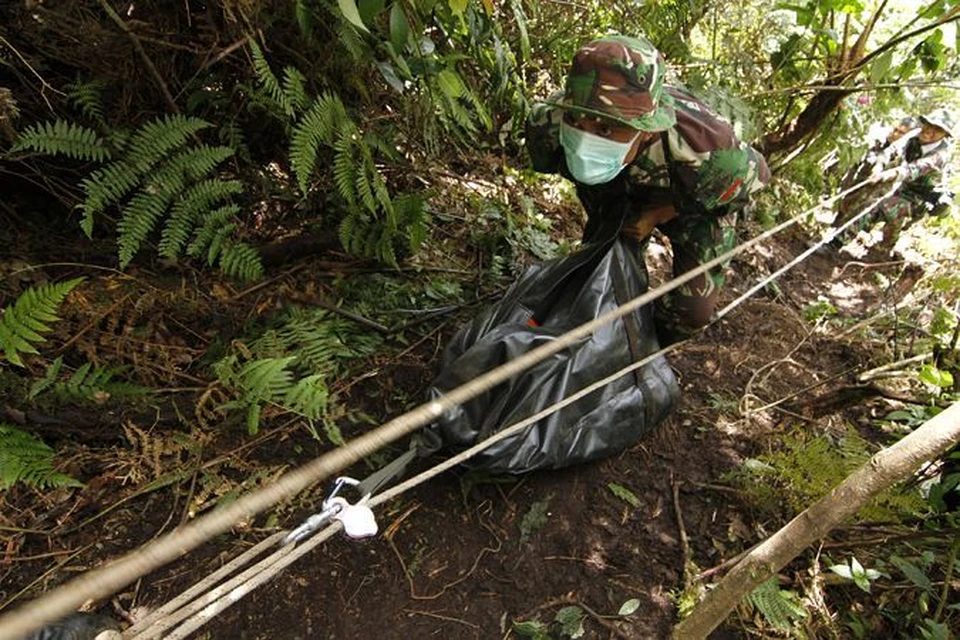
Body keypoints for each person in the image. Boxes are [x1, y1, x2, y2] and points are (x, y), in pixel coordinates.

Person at [526, 35, 770, 344]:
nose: (585, 140)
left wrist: (657, 215)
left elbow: (750, 184)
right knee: (598, 271)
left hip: (694, 204)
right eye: (576, 119)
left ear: (647, 131)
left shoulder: (712, 156)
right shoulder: (547, 126)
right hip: (618, 188)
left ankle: (642, 357)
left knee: (690, 312)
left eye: (606, 129)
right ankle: (595, 342)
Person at [832, 109, 954, 251]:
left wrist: (886, 175)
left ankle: (838, 243)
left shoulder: (941, 155)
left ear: (944, 135)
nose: (929, 130)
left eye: (937, 129)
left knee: (883, 206)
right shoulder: (914, 135)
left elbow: (911, 170)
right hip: (899, 185)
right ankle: (839, 230)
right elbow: (891, 151)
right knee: (867, 194)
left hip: (918, 198)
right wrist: (879, 165)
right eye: (929, 124)